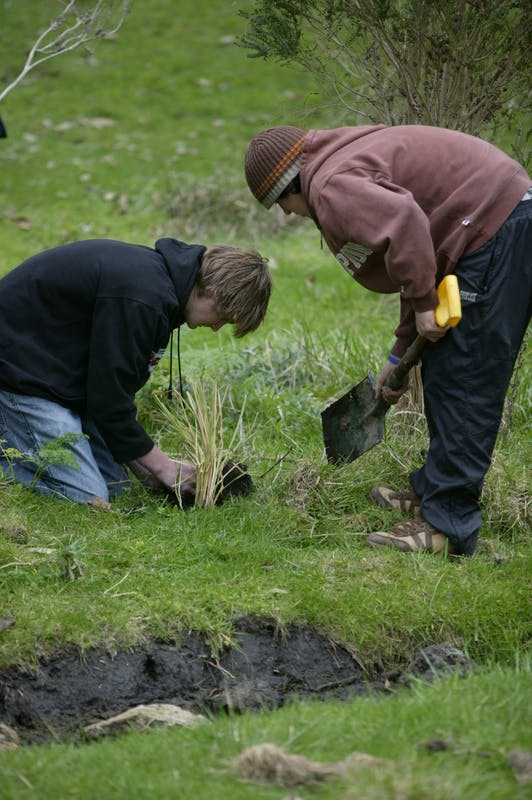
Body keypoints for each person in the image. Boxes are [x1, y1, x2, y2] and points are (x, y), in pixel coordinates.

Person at [245, 123, 531, 556]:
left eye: (280, 204)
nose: (287, 214)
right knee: (445, 367)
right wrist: (400, 356)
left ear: (290, 186)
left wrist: (421, 302)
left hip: (494, 227)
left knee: (464, 377)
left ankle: (447, 524)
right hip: (492, 219)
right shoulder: (339, 159)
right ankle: (434, 489)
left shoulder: (330, 187)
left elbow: (405, 223)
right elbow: (414, 254)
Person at [0, 237, 271, 505]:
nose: (216, 327)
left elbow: (109, 387)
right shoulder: (142, 298)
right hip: (18, 373)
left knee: (116, 487)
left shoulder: (163, 294)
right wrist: (164, 467)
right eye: (223, 317)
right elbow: (108, 400)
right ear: (214, 292)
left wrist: (145, 467)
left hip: (54, 379)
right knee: (87, 495)